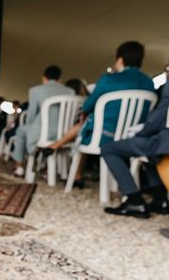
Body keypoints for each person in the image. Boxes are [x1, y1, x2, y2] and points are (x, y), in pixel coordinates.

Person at [42, 42, 155, 187]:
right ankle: (58, 151)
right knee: (87, 126)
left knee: (85, 126)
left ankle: (71, 169)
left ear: (120, 59)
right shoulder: (149, 83)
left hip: (106, 135)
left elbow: (88, 106)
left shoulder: (109, 79)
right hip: (132, 136)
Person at [102, 81, 169, 218]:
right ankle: (160, 200)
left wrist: (141, 133)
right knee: (149, 152)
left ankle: (134, 201)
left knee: (109, 148)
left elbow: (159, 117)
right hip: (162, 143)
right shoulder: (147, 82)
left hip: (164, 141)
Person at [11, 65, 73, 177]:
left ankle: (19, 167)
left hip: (43, 132)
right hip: (65, 134)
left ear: (44, 78)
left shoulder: (36, 90)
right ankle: (47, 166)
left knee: (21, 130)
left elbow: (32, 114)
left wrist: (30, 128)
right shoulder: (70, 91)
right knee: (30, 130)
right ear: (60, 79)